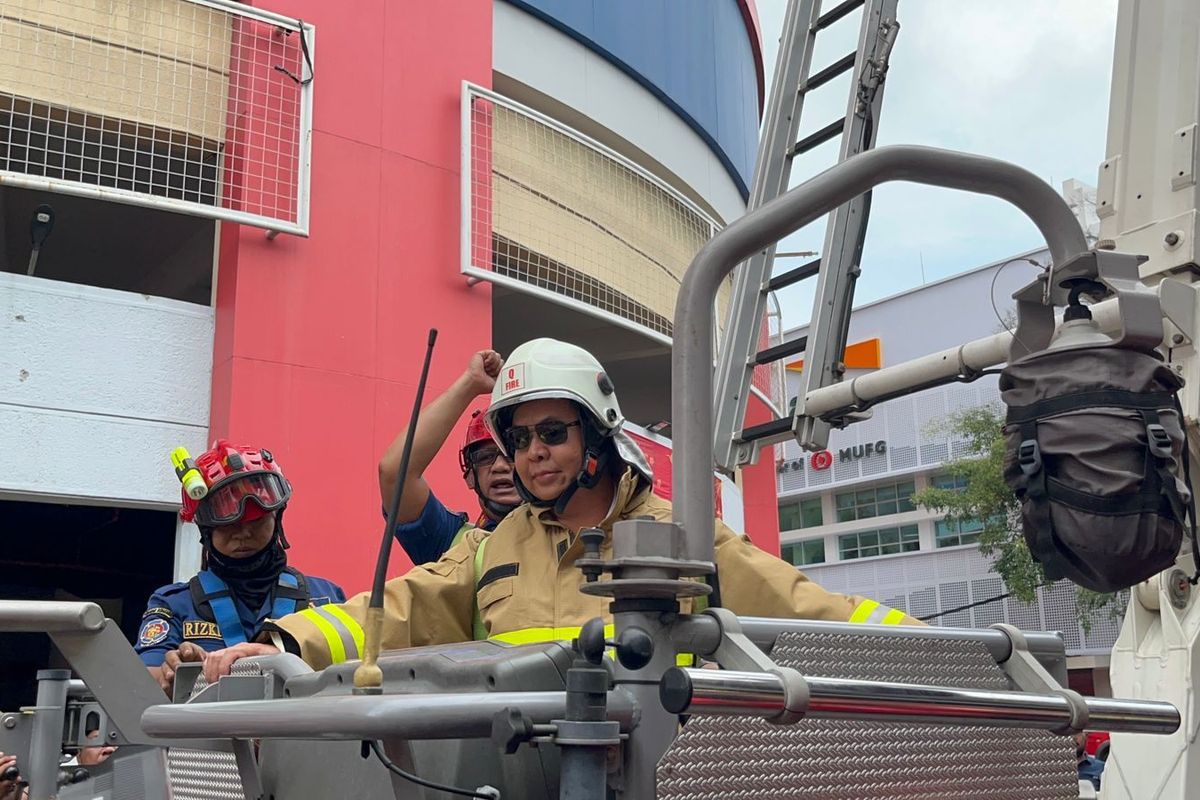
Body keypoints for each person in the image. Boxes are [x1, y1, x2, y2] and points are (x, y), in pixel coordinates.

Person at [193, 338, 923, 682]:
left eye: (553, 433)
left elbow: (799, 606)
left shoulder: (677, 536)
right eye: (518, 439)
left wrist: (939, 652)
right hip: (514, 772)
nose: (532, 454)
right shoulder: (490, 545)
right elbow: (397, 606)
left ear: (597, 435)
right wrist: (286, 645)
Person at [136, 441, 345, 694]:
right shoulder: (173, 603)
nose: (243, 533)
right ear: (206, 530)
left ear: (276, 519)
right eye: (227, 523)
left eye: (256, 520)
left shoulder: (327, 597)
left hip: (302, 729)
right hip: (210, 730)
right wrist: (177, 675)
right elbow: (145, 681)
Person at [378, 349, 521, 564]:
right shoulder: (447, 540)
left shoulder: (571, 530)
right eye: (485, 457)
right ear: (469, 476)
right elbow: (395, 473)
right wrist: (471, 383)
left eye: (510, 453)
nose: (499, 466)